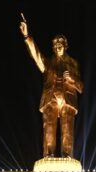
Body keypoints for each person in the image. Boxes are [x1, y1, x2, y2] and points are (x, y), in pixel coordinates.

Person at [19, 15, 84, 159]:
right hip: (51, 98)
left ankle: (67, 156)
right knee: (49, 128)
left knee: (67, 129)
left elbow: (81, 87)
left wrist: (72, 79)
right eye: (55, 44)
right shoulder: (48, 63)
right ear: (53, 48)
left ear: (65, 45)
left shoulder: (73, 63)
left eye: (60, 43)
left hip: (68, 99)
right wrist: (27, 36)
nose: (58, 45)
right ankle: (49, 155)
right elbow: (35, 54)